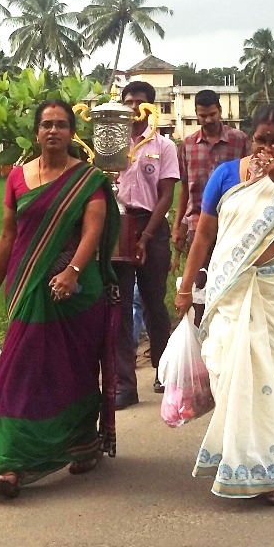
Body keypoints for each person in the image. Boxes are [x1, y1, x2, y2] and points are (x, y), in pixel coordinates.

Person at [175, 103, 274, 506]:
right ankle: (239, 460)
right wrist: (186, 286)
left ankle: (272, 474)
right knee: (231, 377)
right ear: (250, 138)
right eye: (260, 140)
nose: (266, 149)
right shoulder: (225, 176)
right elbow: (204, 234)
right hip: (233, 294)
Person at [0, 100, 119, 499]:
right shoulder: (17, 178)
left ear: (73, 133)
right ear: (36, 132)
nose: (53, 131)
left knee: (73, 370)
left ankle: (82, 441)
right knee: (19, 371)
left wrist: (71, 272)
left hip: (76, 291)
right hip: (26, 286)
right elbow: (7, 235)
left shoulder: (88, 179)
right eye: (46, 125)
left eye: (62, 125)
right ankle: (7, 461)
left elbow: (93, 231)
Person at [110, 81, 179, 408]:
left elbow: (166, 194)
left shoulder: (163, 146)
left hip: (152, 226)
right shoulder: (110, 143)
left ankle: (163, 370)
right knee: (120, 306)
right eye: (128, 102)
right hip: (117, 226)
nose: (133, 107)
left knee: (154, 303)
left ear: (151, 106)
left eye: (140, 102)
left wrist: (147, 236)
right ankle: (125, 383)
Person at [173, 89, 249, 320]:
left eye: (212, 114)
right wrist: (178, 226)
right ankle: (199, 332)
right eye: (202, 115)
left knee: (231, 281)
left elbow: (250, 180)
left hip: (233, 223)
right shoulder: (187, 144)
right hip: (198, 223)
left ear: (220, 111)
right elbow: (185, 188)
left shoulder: (239, 140)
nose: (208, 120)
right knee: (199, 283)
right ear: (196, 114)